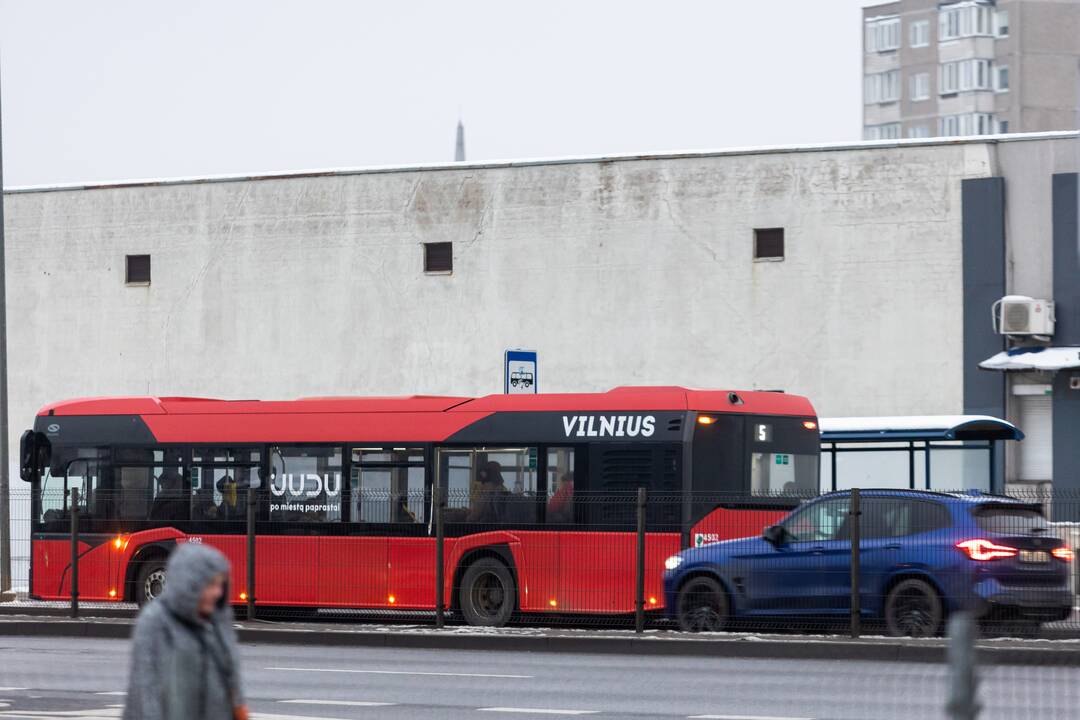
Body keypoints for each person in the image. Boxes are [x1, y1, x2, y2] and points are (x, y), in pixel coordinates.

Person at [123, 543, 248, 720]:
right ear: (190, 582)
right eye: (211, 585)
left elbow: (231, 684)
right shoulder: (156, 622)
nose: (217, 592)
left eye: (220, 585)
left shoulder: (217, 621)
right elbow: (147, 691)